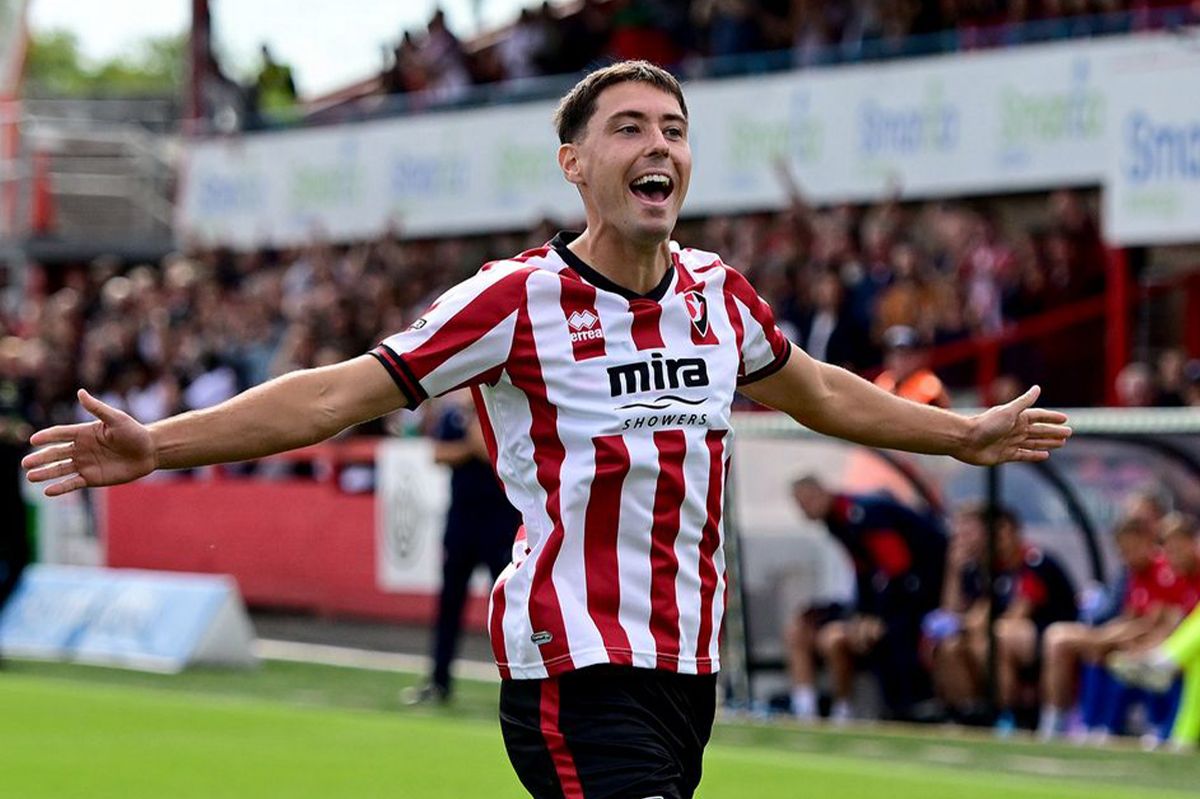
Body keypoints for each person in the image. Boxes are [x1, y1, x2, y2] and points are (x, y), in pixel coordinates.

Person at [23, 61, 1072, 799]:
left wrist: (959, 435)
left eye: (673, 130)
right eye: (629, 128)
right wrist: (160, 443)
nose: (658, 146)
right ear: (574, 164)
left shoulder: (720, 295)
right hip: (576, 666)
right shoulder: (515, 299)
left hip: (685, 668)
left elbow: (817, 390)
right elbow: (338, 392)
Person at [789, 476, 946, 722]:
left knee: (891, 633)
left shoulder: (861, 513)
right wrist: (862, 614)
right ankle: (807, 710)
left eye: (808, 500)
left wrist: (878, 617)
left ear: (823, 492)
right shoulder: (837, 522)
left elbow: (896, 567)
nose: (805, 510)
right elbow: (863, 570)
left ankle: (909, 707)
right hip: (901, 587)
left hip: (924, 583)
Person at [406, 391, 521, 704]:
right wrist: (469, 444)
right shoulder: (453, 414)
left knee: (512, 610)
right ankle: (439, 681)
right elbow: (438, 454)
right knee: (449, 606)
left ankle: (521, 685)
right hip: (462, 522)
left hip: (500, 525)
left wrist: (470, 443)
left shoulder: (507, 410)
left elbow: (489, 454)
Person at [1038, 515, 1172, 740]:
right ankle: (1072, 721)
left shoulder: (1163, 572)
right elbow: (1129, 617)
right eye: (1122, 551)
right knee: (1068, 642)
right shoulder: (1135, 575)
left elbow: (1150, 623)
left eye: (1131, 549)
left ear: (1148, 541)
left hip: (1156, 645)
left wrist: (1101, 639)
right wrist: (1105, 637)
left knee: (1075, 643)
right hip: (1123, 639)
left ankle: (1091, 724)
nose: (1126, 557)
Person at [873, 325, 951, 408]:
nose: (898, 361)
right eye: (893, 355)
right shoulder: (884, 381)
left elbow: (911, 412)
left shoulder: (928, 383)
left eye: (905, 355)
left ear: (919, 357)